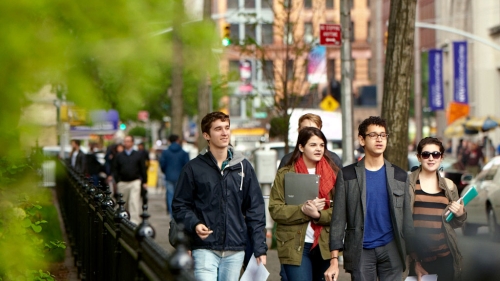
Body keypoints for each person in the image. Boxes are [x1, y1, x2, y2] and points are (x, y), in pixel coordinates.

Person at [172, 112, 267, 281]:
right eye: (218, 129)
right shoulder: (193, 168)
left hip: (235, 249)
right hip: (204, 247)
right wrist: (195, 224)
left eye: (227, 128)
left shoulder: (243, 167)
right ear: (206, 135)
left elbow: (255, 210)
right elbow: (180, 205)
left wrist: (260, 249)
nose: (224, 133)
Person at [325, 116, 414, 281]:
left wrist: (416, 258)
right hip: (361, 249)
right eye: (373, 135)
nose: (379, 139)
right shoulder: (347, 175)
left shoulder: (399, 175)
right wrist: (334, 260)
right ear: (362, 140)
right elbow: (338, 219)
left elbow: (407, 221)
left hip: (392, 248)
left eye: (383, 135)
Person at [277, 113, 343, 281]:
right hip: (295, 241)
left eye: (320, 143)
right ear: (301, 143)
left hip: (324, 243)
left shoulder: (333, 166)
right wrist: (303, 210)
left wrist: (319, 215)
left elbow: (341, 209)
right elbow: (277, 208)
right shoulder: (287, 167)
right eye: (306, 131)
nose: (317, 148)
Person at [409, 137, 466, 281]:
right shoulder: (407, 184)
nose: (431, 158)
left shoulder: (449, 186)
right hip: (418, 258)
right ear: (419, 157)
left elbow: (455, 223)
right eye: (426, 154)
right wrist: (415, 260)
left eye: (435, 154)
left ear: (441, 157)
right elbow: (402, 224)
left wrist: (460, 214)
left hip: (444, 258)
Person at [112, 135, 147, 224]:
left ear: (132, 142)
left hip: (135, 181)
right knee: (123, 203)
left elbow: (143, 168)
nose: (126, 143)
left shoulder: (138, 155)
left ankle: (134, 222)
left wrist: (144, 181)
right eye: (125, 141)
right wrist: (118, 180)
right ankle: (123, 220)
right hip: (123, 182)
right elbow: (115, 169)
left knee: (134, 202)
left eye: (128, 141)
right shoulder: (119, 156)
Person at [159, 134, 190, 215]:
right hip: (180, 177)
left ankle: (172, 214)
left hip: (169, 176)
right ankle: (178, 214)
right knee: (179, 196)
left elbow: (162, 164)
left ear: (169, 141)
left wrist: (165, 172)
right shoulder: (183, 153)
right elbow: (187, 165)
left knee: (170, 196)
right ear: (178, 141)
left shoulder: (165, 152)